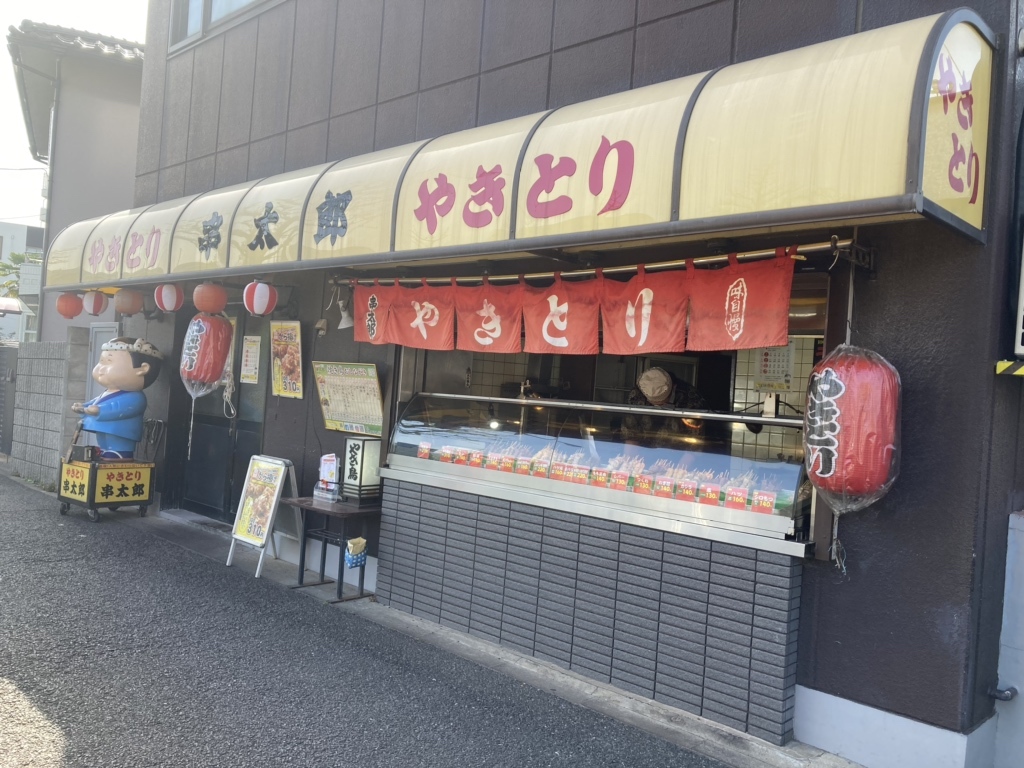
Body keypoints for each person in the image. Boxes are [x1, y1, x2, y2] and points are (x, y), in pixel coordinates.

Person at [71, 337, 163, 460]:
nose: (101, 368)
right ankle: (105, 453)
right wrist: (83, 407)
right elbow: (97, 402)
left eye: (109, 361)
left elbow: (119, 408)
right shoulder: (108, 392)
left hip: (121, 432)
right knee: (104, 445)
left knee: (117, 447)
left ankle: (119, 455)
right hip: (105, 429)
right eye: (101, 361)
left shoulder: (136, 397)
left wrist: (99, 410)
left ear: (142, 369)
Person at [621, 367, 707, 447]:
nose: (658, 406)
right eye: (653, 403)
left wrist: (682, 463)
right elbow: (630, 433)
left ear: (673, 387)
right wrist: (631, 460)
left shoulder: (692, 399)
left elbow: (695, 442)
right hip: (644, 450)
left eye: (662, 403)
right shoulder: (637, 394)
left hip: (677, 452)